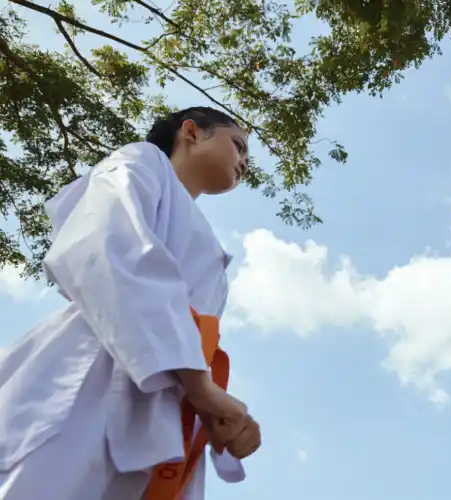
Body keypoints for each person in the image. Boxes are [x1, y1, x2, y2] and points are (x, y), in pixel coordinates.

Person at [0, 106, 262, 499]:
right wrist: (199, 384)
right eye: (238, 145)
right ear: (191, 132)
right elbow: (109, 245)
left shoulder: (208, 248)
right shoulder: (141, 161)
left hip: (170, 410)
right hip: (97, 376)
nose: (244, 161)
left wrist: (213, 407)